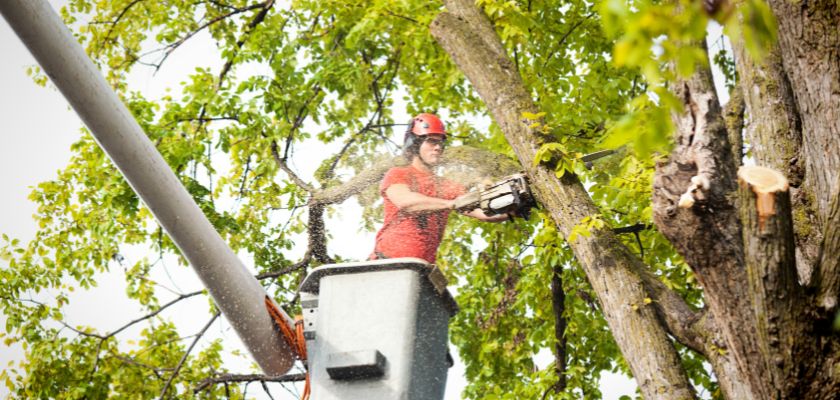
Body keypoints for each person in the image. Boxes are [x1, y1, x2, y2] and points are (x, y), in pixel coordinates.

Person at [370, 113, 508, 263]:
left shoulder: (447, 186)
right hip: (386, 263)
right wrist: (449, 204)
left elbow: (484, 213)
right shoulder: (398, 174)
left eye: (440, 143)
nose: (438, 147)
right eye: (431, 142)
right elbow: (405, 201)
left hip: (422, 268)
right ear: (415, 144)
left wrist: (512, 209)